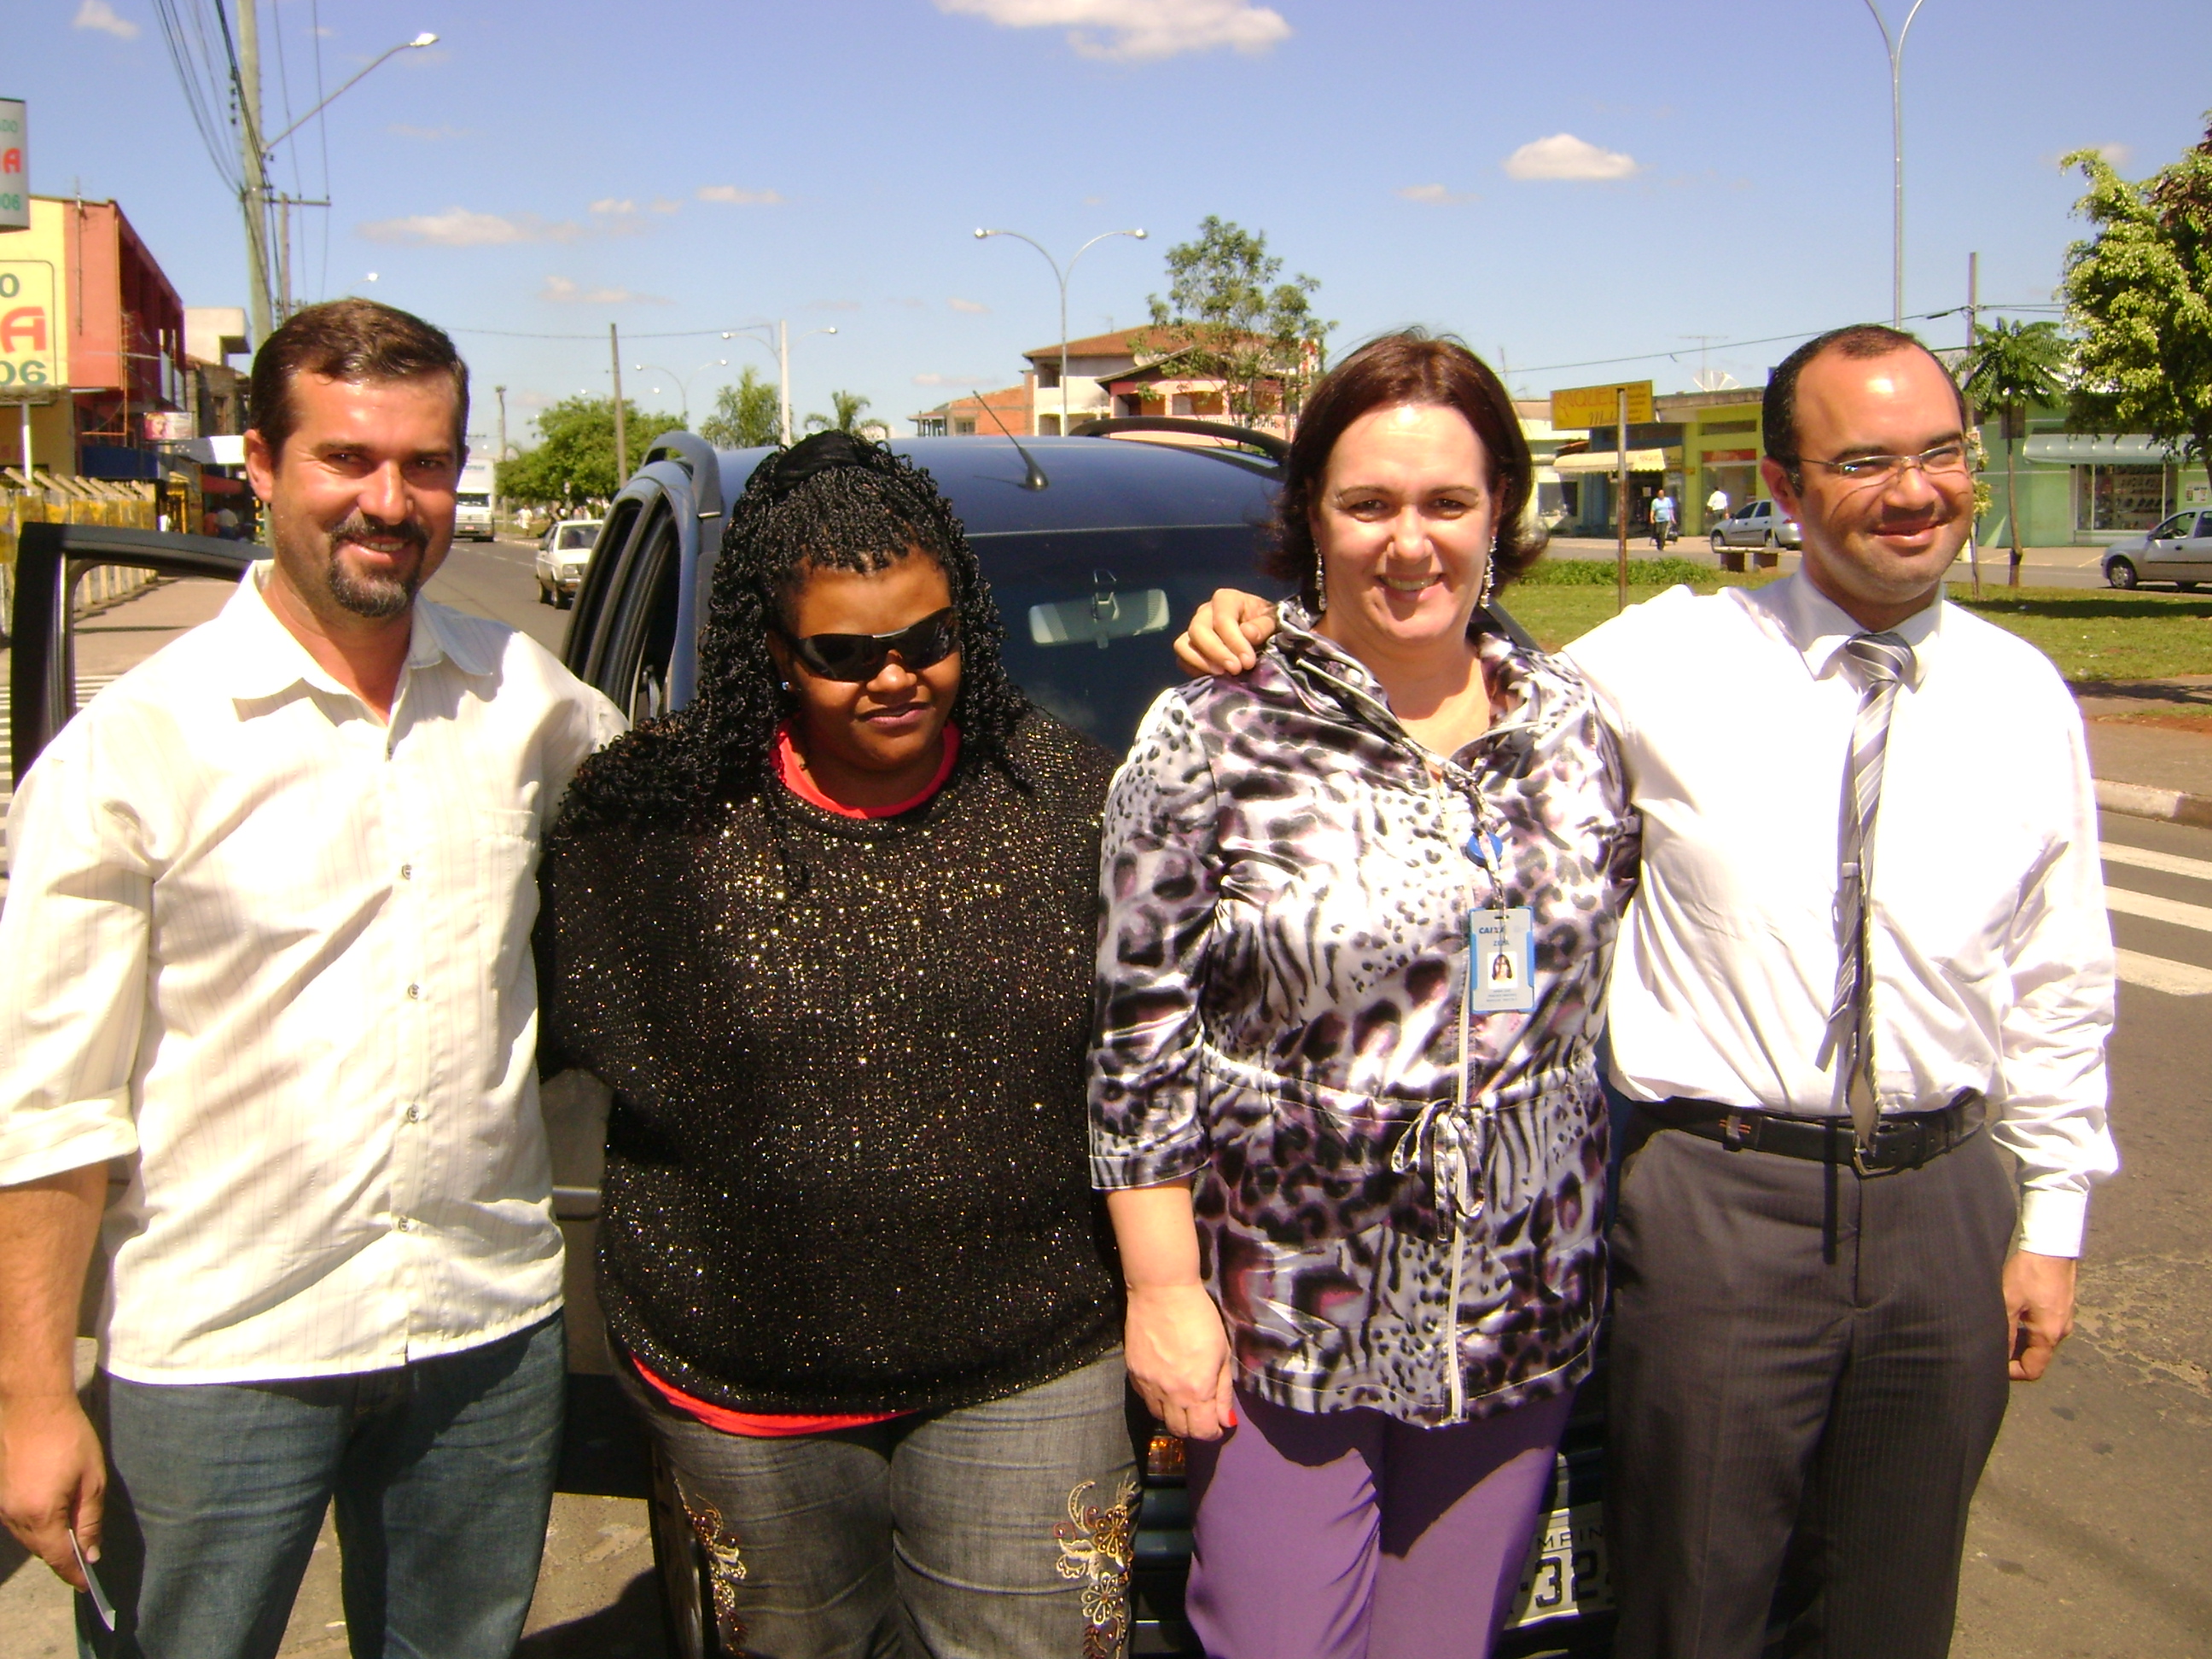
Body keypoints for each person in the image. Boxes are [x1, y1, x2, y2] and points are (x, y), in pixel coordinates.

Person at [1174, 322, 2117, 1659]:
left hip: (1945, 1204)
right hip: (1720, 1203)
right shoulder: (1655, 665)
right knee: (1694, 1608)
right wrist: (1264, 620)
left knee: (1896, 1606)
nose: (1914, 491)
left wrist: (2054, 1209)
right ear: (1787, 491)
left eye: (1941, 454)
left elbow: (2061, 974)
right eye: (1864, 461)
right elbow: (1428, 668)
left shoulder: (2025, 697)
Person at [0, 298, 625, 1659]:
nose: (388, 502)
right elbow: (49, 1109)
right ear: (262, 466)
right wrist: (33, 1397)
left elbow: (689, 820)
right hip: (223, 1349)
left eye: (426, 465)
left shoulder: (526, 700)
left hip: (485, 1329)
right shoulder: (134, 755)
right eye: (346, 459)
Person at [539, 432, 1137, 1658]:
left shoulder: (1071, 800)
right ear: (772, 648)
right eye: (844, 654)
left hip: (1031, 1364)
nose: (898, 677)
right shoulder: (651, 822)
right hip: (745, 1388)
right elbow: (568, 1048)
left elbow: (1159, 1066)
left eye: (929, 639)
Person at [1090, 333, 1639, 1659]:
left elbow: (1538, 974)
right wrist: (1163, 1292)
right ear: (1312, 518)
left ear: (1500, 511)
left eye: (1447, 503)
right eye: (1369, 503)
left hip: (1515, 1310)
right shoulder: (1214, 731)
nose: (1411, 542)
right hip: (1292, 1319)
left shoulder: (1569, 722)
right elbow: (1136, 1044)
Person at [1649, 487, 1677, 552]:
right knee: (1658, 532)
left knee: (1663, 532)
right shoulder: (1655, 501)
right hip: (1658, 519)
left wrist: (1672, 518)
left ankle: (1661, 546)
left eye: (1662, 494)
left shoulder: (1667, 500)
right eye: (1660, 494)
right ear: (1658, 494)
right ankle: (1658, 542)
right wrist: (1651, 518)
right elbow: (1652, 511)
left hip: (1666, 519)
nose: (1661, 495)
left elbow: (1670, 510)